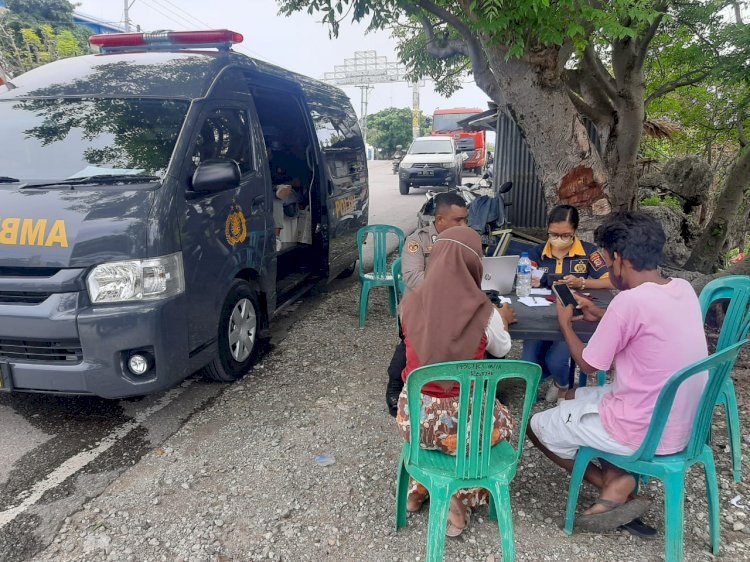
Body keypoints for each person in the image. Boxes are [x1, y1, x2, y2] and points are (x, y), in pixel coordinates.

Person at [527, 211, 709, 533]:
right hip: (683, 426)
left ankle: (614, 484)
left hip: (643, 433)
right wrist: (603, 315)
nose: (609, 268)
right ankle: (616, 479)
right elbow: (645, 327)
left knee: (534, 425)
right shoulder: (682, 290)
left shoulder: (629, 302)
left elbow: (587, 364)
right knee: (570, 396)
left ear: (619, 259)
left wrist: (565, 324)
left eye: (608, 261)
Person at [396, 226, 516, 537]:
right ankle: (455, 497)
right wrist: (501, 318)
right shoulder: (484, 310)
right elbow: (502, 349)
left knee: (441, 430)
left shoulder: (409, 302)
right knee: (502, 421)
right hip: (466, 428)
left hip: (416, 420)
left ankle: (420, 485)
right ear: (475, 263)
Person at [385, 192, 469, 416]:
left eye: (465, 219)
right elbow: (413, 277)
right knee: (414, 344)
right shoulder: (418, 241)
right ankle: (395, 384)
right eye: (458, 220)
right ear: (440, 220)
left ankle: (477, 385)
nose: (464, 225)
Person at [522, 205, 613, 402]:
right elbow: (527, 278)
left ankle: (561, 385)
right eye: (553, 234)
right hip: (539, 315)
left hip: (574, 315)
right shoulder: (537, 253)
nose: (558, 239)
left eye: (565, 235)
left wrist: (583, 282)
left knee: (557, 360)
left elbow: (610, 280)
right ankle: (538, 385)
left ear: (575, 232)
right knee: (528, 361)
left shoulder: (588, 252)